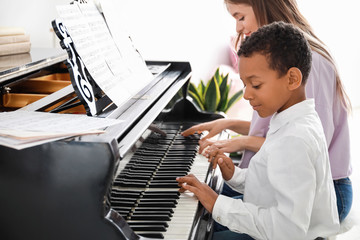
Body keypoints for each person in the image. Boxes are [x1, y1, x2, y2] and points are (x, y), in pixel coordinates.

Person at [181, 0, 352, 222]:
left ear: (265, 6)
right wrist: (228, 124)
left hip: (320, 193)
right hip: (278, 178)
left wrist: (241, 142)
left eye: (240, 17)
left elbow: (305, 147)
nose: (238, 28)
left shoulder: (309, 62)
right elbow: (281, 127)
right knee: (197, 203)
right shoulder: (276, 58)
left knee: (203, 217)